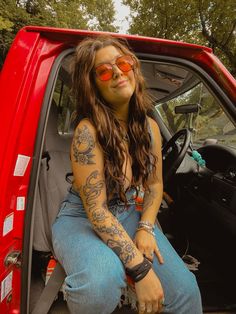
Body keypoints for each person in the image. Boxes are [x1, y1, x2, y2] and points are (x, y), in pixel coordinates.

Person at [52, 35, 202, 314]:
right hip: (82, 217)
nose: (118, 71)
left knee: (186, 293)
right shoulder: (88, 131)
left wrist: (146, 227)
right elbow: (96, 212)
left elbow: (155, 184)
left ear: (133, 67)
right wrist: (141, 270)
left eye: (123, 62)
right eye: (105, 70)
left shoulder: (149, 128)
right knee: (99, 284)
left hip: (129, 210)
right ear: (93, 85)